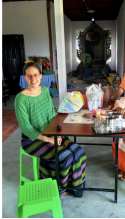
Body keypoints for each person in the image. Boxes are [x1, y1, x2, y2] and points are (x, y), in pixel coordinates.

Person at [15, 63, 86, 197]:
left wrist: (57, 134)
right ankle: (60, 186)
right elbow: (27, 128)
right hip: (32, 140)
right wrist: (48, 139)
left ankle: (75, 185)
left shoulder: (45, 90)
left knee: (78, 151)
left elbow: (51, 116)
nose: (33, 78)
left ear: (40, 76)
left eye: (36, 74)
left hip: (50, 133)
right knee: (65, 155)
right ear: (25, 77)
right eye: (29, 75)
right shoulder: (21, 99)